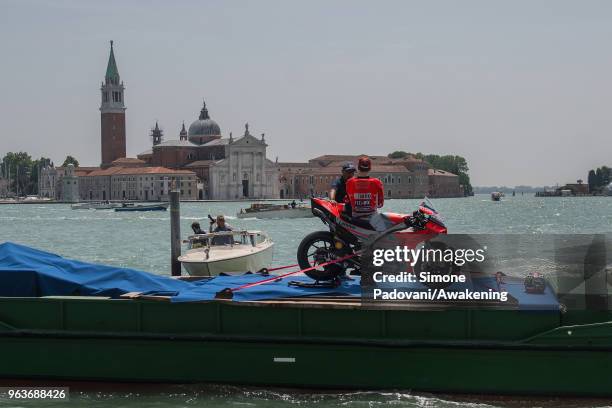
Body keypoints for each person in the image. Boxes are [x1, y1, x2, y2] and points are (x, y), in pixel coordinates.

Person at [344, 156, 386, 231]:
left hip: (355, 218)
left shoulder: (349, 182)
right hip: (372, 219)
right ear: (370, 168)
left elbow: (347, 200)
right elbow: (380, 204)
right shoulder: (376, 182)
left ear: (358, 168)